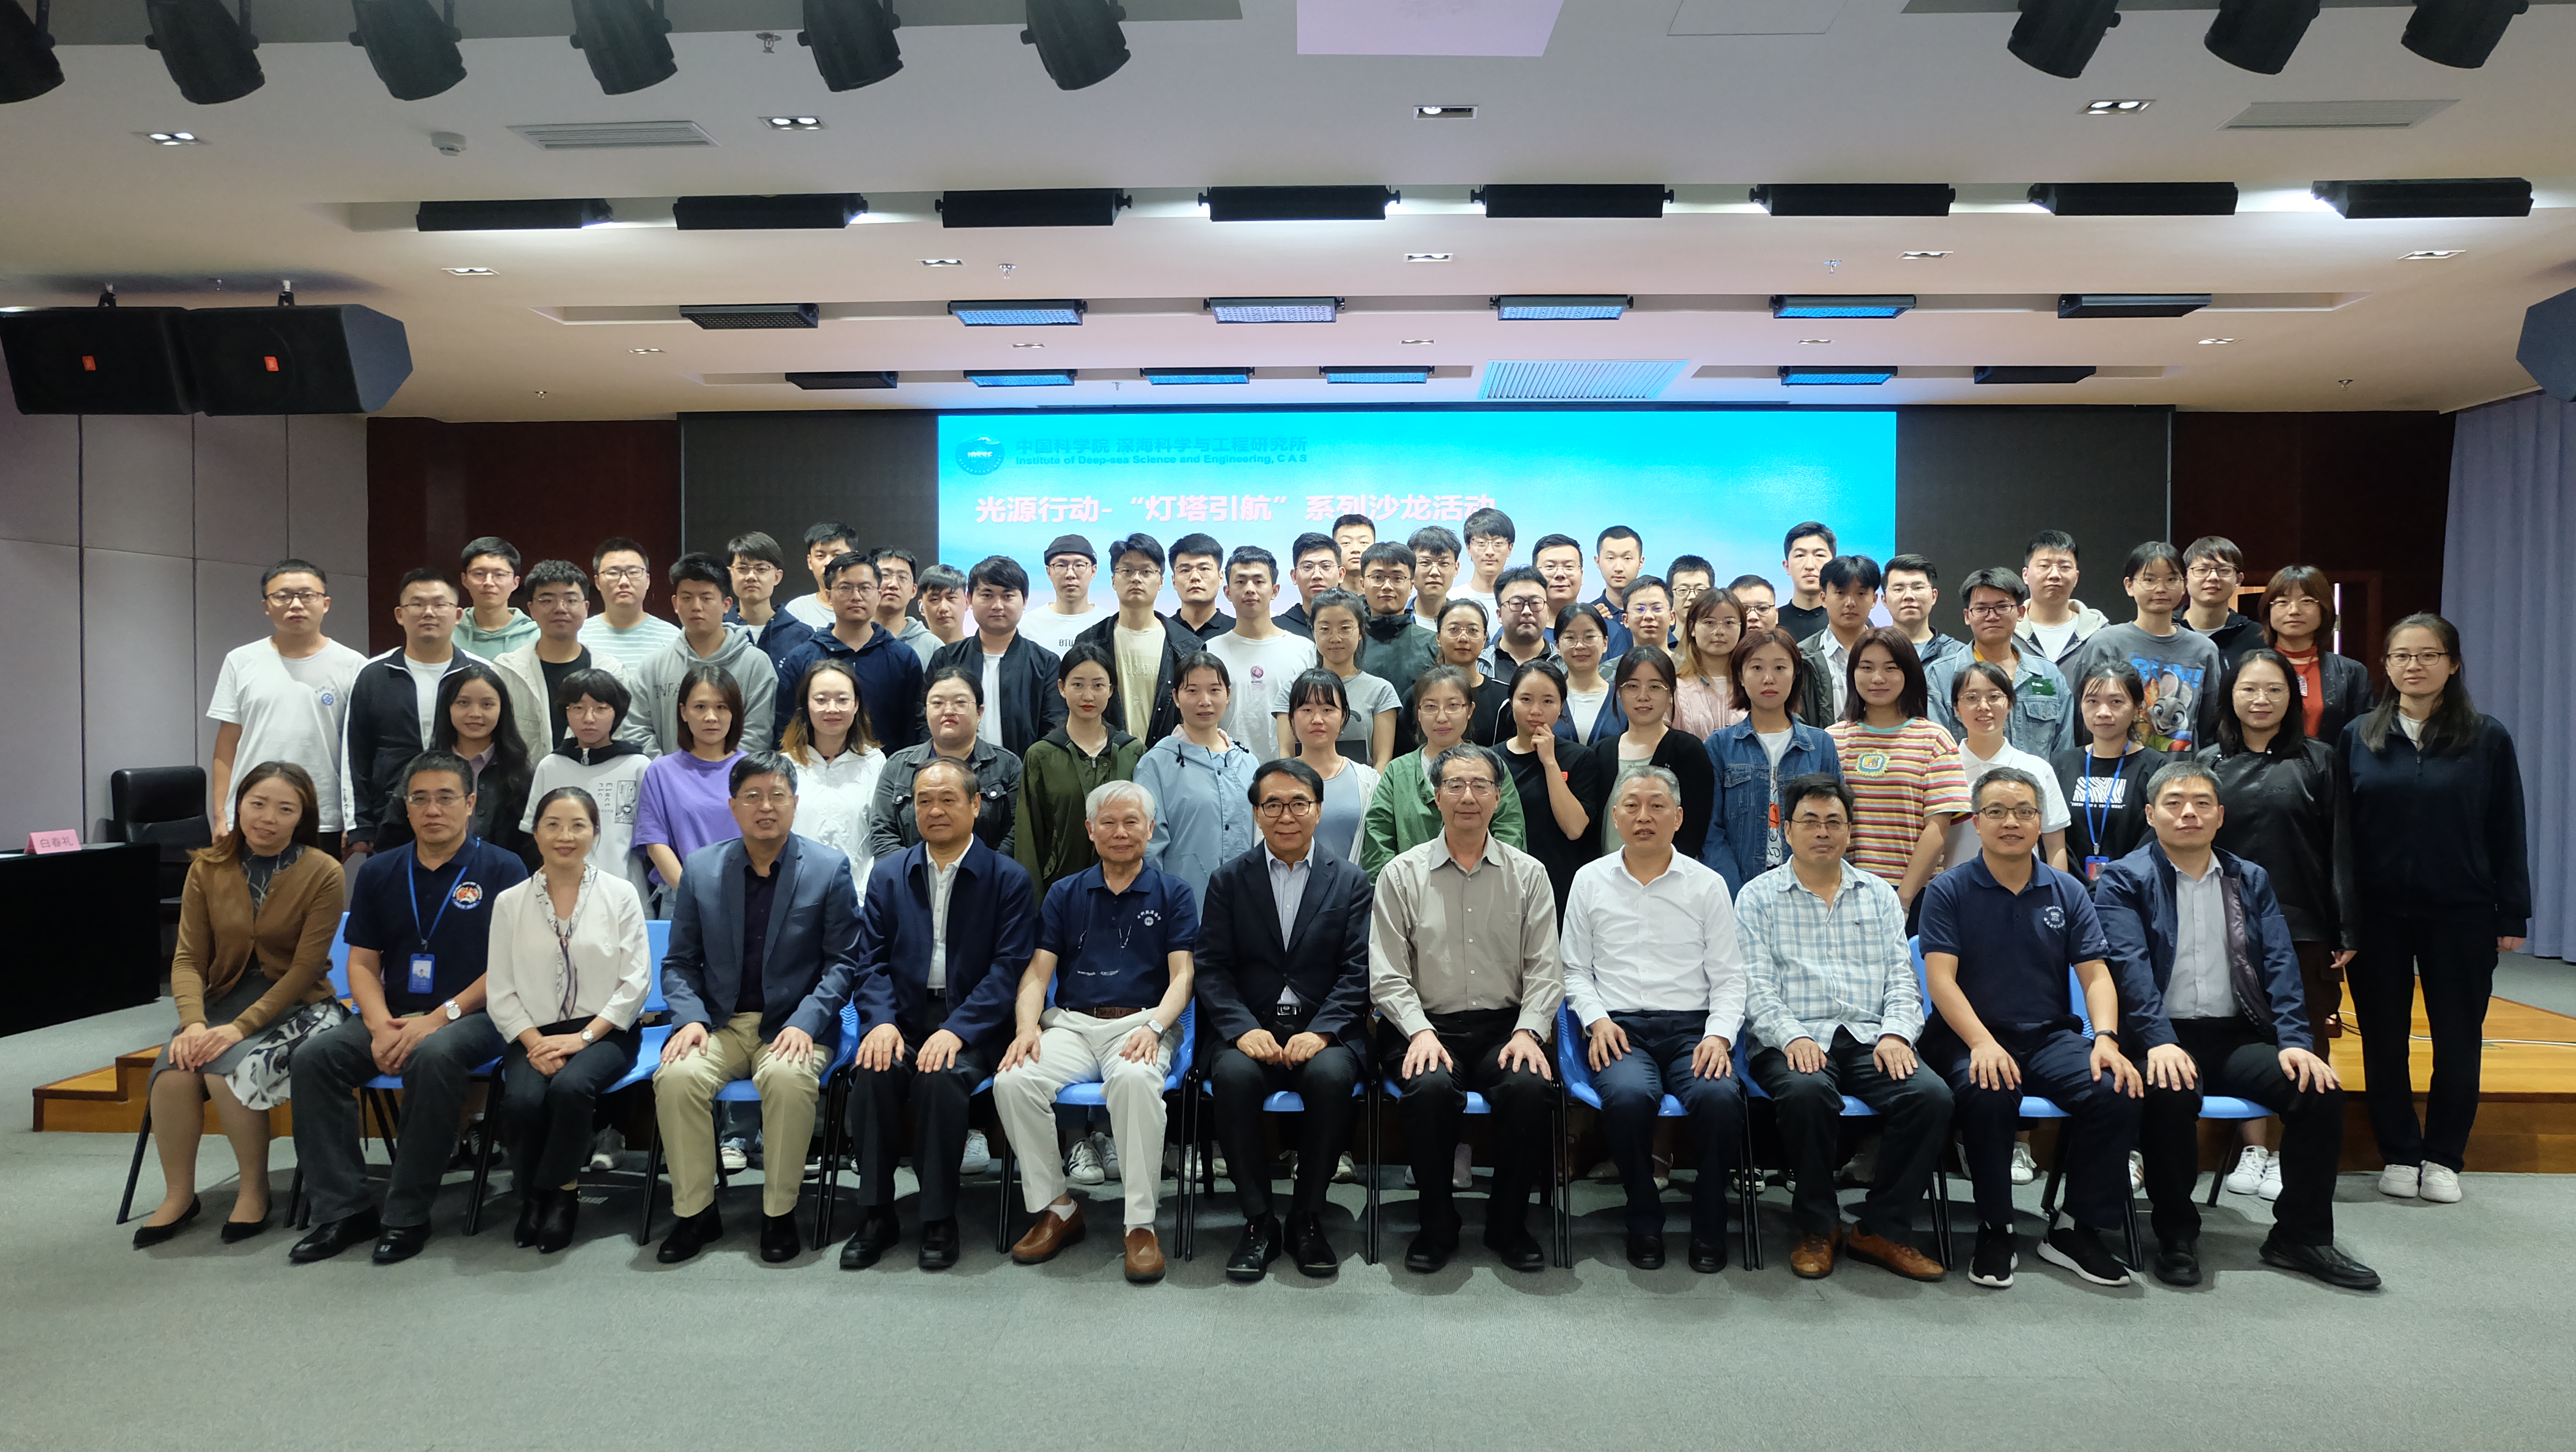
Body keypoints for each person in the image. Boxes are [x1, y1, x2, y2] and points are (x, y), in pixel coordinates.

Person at [2093, 761, 2381, 1290]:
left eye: (2202, 803)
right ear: (2151, 814)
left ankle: (2300, 1236)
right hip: (2159, 1036)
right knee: (2170, 1090)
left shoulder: (2249, 878)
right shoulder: (2124, 879)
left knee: (2317, 1089)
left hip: (2234, 1036)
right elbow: (2130, 970)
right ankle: (2176, 1233)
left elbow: (2280, 963)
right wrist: (2159, 1042)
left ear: (2220, 816)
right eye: (2175, 803)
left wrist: (2295, 1041)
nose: (2189, 813)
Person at [287, 751, 529, 1264]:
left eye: (446, 798)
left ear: (470, 804)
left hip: (479, 1015)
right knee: (315, 1059)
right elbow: (362, 963)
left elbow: (509, 966)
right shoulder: (380, 870)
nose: (432, 810)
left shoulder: (503, 868)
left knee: (434, 1055)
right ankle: (343, 1210)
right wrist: (379, 1026)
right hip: (394, 1014)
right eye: (420, 799)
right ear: (406, 805)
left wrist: (439, 1019)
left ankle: (407, 1214)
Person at [1917, 766, 2145, 1289]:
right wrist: (1982, 1042)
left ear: (2041, 821)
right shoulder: (1948, 889)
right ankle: (1996, 1227)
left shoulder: (2067, 890)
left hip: (2047, 1035)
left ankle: (2074, 1228)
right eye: (1996, 812)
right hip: (1967, 1036)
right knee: (1988, 1090)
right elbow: (1940, 981)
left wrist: (2106, 1039)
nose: (2011, 822)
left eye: (2024, 812)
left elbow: (2096, 975)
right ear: (1977, 822)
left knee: (2114, 1088)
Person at [2337, 613, 2530, 1206]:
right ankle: (2399, 1151)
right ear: (2386, 665)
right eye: (2401, 656)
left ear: (2453, 663)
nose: (2414, 666)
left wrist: (2512, 913)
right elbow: (2342, 835)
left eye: (2428, 655)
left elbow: (2507, 826)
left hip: (2461, 912)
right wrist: (2344, 915)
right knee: (2383, 1038)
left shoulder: (2487, 737)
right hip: (2379, 915)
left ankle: (2445, 1156)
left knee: (2458, 1038)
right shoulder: (2358, 736)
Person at [1737, 773, 1952, 1282]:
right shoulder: (1757, 896)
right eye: (1810, 821)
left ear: (1850, 831)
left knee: (1931, 1097)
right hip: (1790, 1037)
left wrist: (1897, 1034)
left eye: (1834, 822)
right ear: (1787, 830)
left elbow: (1903, 980)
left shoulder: (1878, 894)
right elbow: (1753, 986)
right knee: (1807, 1092)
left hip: (1869, 1036)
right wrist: (1792, 1036)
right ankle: (1818, 1226)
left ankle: (1881, 1229)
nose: (1823, 832)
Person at [652, 752, 863, 1264]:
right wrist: (690, 1019)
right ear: (733, 806)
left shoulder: (827, 868)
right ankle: (696, 1212)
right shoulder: (702, 869)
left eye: (777, 796)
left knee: (788, 1081)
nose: (765, 807)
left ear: (794, 803)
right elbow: (679, 963)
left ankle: (779, 1213)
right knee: (676, 1077)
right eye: (752, 796)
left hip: (795, 1024)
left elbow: (843, 963)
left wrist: (807, 1023)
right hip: (719, 1025)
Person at [133, 762, 346, 1248]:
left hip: (300, 1005)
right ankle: (179, 1195)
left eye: (285, 809)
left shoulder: (323, 872)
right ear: (238, 805)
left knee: (226, 1070)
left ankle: (254, 1190)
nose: (268, 818)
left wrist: (238, 1029)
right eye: (258, 804)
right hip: (221, 1003)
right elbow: (188, 958)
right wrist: (193, 1023)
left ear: (302, 817)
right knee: (173, 1073)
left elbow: (304, 969)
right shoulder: (207, 868)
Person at [838, 758, 1038, 1271]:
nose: (935, 810)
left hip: (974, 1026)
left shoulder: (1008, 878)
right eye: (924, 801)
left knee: (939, 1078)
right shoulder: (889, 875)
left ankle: (938, 1216)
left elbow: (1008, 970)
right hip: (902, 1019)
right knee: (873, 1072)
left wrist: (957, 1030)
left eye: (948, 799)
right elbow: (870, 962)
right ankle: (876, 1213)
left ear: (976, 805)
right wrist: (881, 1021)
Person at [995, 780, 1198, 1284]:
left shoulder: (1174, 892)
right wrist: (1026, 1028)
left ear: (1150, 829)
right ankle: (1058, 1208)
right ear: (1090, 830)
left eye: (1132, 822)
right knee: (1014, 1080)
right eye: (1108, 822)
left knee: (1135, 1081)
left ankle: (1140, 1225)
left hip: (1141, 1022)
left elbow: (1184, 977)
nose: (1120, 832)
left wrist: (1156, 1026)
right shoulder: (1065, 893)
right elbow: (1038, 974)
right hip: (1073, 1024)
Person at [1370, 744, 1562, 1273]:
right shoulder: (1401, 875)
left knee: (1529, 1087)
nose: (1468, 796)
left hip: (1506, 1026)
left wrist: (1529, 1031)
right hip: (1424, 1025)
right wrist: (1418, 1032)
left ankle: (1508, 1224)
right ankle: (1437, 1226)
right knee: (1430, 1087)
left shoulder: (1529, 874)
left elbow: (1546, 968)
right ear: (1436, 798)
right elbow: (1387, 975)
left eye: (1480, 785)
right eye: (1454, 785)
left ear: (1498, 798)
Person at [1196, 758, 1373, 1280]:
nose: (1286, 815)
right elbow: (1212, 968)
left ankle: (1306, 1218)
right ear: (1256, 813)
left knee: (1331, 1079)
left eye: (1299, 803)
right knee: (1231, 1078)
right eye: (1272, 804)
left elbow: (1359, 970)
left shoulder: (1351, 881)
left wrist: (1323, 1031)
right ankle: (1258, 1221)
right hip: (1250, 1029)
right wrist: (1241, 1028)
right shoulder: (1228, 881)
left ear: (1318, 810)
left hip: (1325, 1031)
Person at [1563, 765, 1745, 1272]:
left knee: (1720, 1099)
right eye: (1632, 806)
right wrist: (1597, 1021)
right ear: (1615, 817)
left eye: (1657, 806)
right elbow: (1573, 970)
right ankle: (1643, 1214)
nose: (1644, 816)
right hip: (1618, 1027)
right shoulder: (1589, 880)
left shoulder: (1707, 885)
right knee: (1627, 1098)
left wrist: (1719, 1037)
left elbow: (1731, 978)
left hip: (1693, 1029)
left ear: (1678, 817)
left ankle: (1710, 1219)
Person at [485, 785, 650, 1254]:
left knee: (571, 1089)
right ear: (536, 833)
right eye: (553, 825)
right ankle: (534, 1196)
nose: (565, 836)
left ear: (595, 833)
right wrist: (534, 1042)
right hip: (532, 1033)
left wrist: (583, 1038)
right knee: (521, 1101)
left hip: (606, 1031)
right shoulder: (510, 903)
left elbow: (636, 981)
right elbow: (500, 989)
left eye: (578, 825)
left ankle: (559, 1194)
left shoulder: (620, 894)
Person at [208, 559, 367, 851]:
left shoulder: (354, 665)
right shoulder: (241, 660)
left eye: (307, 595)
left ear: (326, 603)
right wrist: (221, 815)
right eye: (283, 596)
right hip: (250, 814)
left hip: (322, 814)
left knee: (317, 883)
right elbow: (227, 744)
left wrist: (354, 820)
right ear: (267, 606)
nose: (296, 604)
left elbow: (361, 750)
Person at [1829, 629, 1970, 916]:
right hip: (1842, 892)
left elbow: (1938, 828)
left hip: (1915, 895)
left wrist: (1903, 900)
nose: (1878, 678)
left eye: (1891, 668)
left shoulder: (1934, 739)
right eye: (1866, 668)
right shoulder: (1832, 739)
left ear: (1909, 674)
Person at [344, 568, 476, 860]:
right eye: (417, 604)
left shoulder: (479, 674)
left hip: (466, 816)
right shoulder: (373, 674)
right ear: (400, 614)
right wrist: (360, 824)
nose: (428, 612)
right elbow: (355, 752)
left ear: (458, 615)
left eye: (440, 604)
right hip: (389, 818)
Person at [1702, 627, 1845, 894]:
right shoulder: (1719, 746)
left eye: (1780, 668)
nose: (1769, 679)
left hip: (1808, 886)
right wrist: (1735, 893)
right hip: (1739, 887)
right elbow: (1711, 831)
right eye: (1757, 668)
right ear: (1741, 676)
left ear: (1795, 675)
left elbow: (1835, 823)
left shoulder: (1821, 745)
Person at [1360, 666, 1528, 878]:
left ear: (1470, 710)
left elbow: (1510, 830)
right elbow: (1378, 839)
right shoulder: (1397, 772)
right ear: (1418, 713)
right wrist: (1393, 888)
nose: (1441, 717)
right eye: (1430, 707)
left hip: (1484, 887)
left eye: (1453, 706)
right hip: (1410, 890)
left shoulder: (1491, 766)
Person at [2063, 542, 2223, 755]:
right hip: (2116, 766)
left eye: (2171, 579)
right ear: (2129, 585)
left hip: (2180, 771)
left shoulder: (2204, 650)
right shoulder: (2105, 643)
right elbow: (2082, 717)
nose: (2160, 588)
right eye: (2149, 580)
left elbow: (2208, 724)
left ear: (2184, 585)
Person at [370, 661, 537, 867]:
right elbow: (393, 836)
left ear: (502, 710)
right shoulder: (423, 768)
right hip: (428, 876)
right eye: (463, 703)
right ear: (447, 708)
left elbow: (532, 846)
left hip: (501, 879)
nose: (475, 713)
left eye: (487, 705)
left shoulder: (520, 773)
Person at [1014, 644, 1144, 895]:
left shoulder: (1133, 753)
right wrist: (1033, 904)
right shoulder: (1041, 755)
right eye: (1078, 685)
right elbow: (1028, 838)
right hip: (1060, 891)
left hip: (1126, 889)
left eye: (1098, 686)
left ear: (1111, 690)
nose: (1088, 696)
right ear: (1062, 688)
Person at [772, 551, 928, 753]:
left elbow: (913, 730)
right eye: (845, 588)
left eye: (865, 588)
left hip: (886, 770)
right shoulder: (801, 658)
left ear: (878, 594)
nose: (856, 597)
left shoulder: (903, 658)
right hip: (814, 768)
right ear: (829, 595)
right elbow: (786, 727)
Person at [492, 559, 645, 762]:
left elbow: (621, 735)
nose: (560, 608)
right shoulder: (506, 671)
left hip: (593, 776)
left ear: (586, 608)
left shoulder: (611, 670)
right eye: (547, 600)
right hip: (523, 780)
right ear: (532, 609)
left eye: (571, 600)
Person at [520, 668, 653, 902]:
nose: (589, 718)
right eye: (578, 708)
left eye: (601, 708)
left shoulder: (638, 766)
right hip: (558, 896)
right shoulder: (550, 766)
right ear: (566, 712)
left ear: (617, 713)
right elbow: (535, 836)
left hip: (626, 895)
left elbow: (652, 839)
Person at [1136, 652, 1259, 903]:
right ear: (1176, 697)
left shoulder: (1248, 763)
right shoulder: (1156, 763)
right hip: (1182, 903)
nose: (1205, 701)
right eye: (1192, 691)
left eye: (1215, 690)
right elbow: (1148, 846)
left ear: (1228, 694)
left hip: (1246, 904)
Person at [631, 552, 780, 756]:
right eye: (687, 598)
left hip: (734, 776)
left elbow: (757, 735)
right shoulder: (652, 667)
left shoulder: (756, 664)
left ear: (726, 605)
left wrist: (723, 772)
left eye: (706, 598)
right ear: (675, 604)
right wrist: (666, 771)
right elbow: (637, 728)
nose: (696, 606)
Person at [868, 667, 1024, 859]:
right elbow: (883, 833)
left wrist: (985, 872)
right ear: (926, 711)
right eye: (938, 703)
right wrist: (912, 872)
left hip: (990, 876)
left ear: (980, 712)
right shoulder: (898, 765)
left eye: (960, 702)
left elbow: (1017, 833)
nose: (948, 711)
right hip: (910, 876)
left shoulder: (1008, 766)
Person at [925, 555, 1066, 759]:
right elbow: (926, 721)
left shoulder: (1046, 663)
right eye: (987, 595)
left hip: (1024, 772)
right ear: (969, 599)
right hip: (954, 770)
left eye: (1008, 596)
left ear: (1025, 601)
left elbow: (1054, 729)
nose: (998, 605)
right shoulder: (946, 658)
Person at [1926, 568, 2075, 760]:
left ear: (2021, 612)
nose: (1992, 616)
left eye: (2002, 607)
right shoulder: (1941, 676)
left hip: (2036, 779)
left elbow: (2064, 754)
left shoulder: (2048, 675)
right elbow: (1937, 753)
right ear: (1967, 616)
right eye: (1981, 609)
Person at [1941, 661, 2071, 873]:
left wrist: (2059, 890)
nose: (1984, 706)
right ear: (1956, 708)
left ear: (2010, 704)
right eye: (1972, 698)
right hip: (1955, 889)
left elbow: (2055, 847)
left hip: (2024, 888)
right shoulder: (1942, 768)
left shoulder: (2037, 769)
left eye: (1994, 697)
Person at [1075, 532, 1204, 746]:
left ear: (1161, 581)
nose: (1136, 578)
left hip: (1170, 758)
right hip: (1104, 757)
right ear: (1114, 580)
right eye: (1127, 571)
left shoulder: (1187, 647)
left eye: (1146, 571)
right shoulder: (1089, 642)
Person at [1498, 659, 1605, 914]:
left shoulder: (1581, 758)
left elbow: (1574, 828)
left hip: (1562, 888)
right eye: (1526, 700)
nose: (1536, 710)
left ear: (1561, 707)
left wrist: (1549, 762)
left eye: (1548, 701)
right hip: (1504, 885)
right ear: (1511, 702)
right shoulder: (1491, 761)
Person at [635, 664, 748, 905]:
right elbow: (655, 843)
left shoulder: (752, 771)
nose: (711, 717)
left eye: (722, 707)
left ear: (735, 713)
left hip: (746, 897)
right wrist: (694, 894)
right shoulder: (661, 771)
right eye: (700, 707)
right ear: (683, 712)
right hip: (681, 899)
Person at [779, 658, 889, 893]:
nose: (832, 709)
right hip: (798, 894)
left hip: (859, 894)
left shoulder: (875, 762)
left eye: (842, 700)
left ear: (856, 704)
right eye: (821, 700)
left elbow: (884, 834)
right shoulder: (785, 766)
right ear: (806, 705)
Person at [1603, 644, 1715, 861]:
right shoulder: (1601, 752)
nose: (1643, 696)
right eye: (1632, 686)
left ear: (1671, 692)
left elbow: (1694, 832)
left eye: (1655, 687)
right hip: (1608, 875)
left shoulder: (1689, 751)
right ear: (1619, 692)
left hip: (1668, 874)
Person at [1205, 546, 1316, 764]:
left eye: (1258, 581)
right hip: (1225, 768)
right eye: (1240, 582)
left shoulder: (1305, 650)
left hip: (1290, 770)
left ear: (1275, 590)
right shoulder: (1211, 651)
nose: (1249, 589)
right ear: (1227, 592)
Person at [2258, 563, 2371, 743]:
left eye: (2307, 601)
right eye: (2282, 602)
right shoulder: (2251, 668)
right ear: (2268, 610)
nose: (2294, 611)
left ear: (2324, 609)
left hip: (2330, 761)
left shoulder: (2351, 672)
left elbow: (2363, 737)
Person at [1279, 669, 1381, 862]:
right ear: (1291, 718)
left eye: (1328, 710)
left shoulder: (1369, 781)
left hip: (1356, 881)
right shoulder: (1276, 782)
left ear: (1343, 716)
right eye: (1307, 710)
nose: (1317, 720)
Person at [1291, 588, 1398, 768]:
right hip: (1305, 784)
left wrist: (1369, 786)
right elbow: (1287, 755)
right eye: (1325, 629)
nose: (1335, 638)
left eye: (1345, 628)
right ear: (1313, 632)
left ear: (1361, 631)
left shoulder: (1381, 691)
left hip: (1364, 784)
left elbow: (1382, 762)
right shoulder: (1293, 687)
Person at [1795, 554, 1882, 725]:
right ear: (1824, 598)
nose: (1850, 602)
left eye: (1861, 593)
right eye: (1841, 593)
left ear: (1874, 599)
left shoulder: (1891, 653)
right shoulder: (1802, 657)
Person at [1353, 541, 1439, 711]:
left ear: (1411, 586)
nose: (1387, 586)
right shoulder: (1348, 642)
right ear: (1362, 584)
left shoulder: (1433, 644)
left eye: (1397, 578)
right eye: (1378, 577)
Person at [578, 537, 682, 670]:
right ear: (598, 582)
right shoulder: (579, 636)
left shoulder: (672, 638)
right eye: (613, 573)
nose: (624, 582)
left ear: (648, 580)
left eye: (633, 572)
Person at [1422, 598, 1512, 751]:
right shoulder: (1421, 695)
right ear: (1438, 638)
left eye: (1473, 630)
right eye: (1454, 629)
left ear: (1484, 639)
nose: (1463, 638)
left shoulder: (1504, 698)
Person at [723, 529, 812, 675]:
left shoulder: (801, 636)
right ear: (730, 574)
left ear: (777, 577)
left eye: (761, 569)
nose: (751, 576)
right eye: (742, 569)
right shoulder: (718, 630)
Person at [2016, 529, 2110, 666]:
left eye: (2064, 567)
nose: (2055, 575)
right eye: (2044, 566)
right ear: (2025, 575)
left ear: (2076, 577)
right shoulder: (2007, 632)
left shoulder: (2102, 634)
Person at [2176, 536, 2265, 666]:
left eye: (2224, 570)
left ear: (2238, 580)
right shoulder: (2166, 629)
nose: (2213, 577)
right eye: (2202, 570)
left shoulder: (2257, 636)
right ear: (2185, 579)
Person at [1672, 586, 1746, 738]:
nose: (1720, 631)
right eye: (1710, 623)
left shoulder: (1752, 684)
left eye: (1729, 623)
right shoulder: (1675, 687)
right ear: (1692, 628)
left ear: (1741, 628)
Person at [1022, 533, 1112, 657]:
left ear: (1094, 571)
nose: (1070, 574)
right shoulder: (1027, 626)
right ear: (1049, 572)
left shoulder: (1109, 625)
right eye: (1061, 566)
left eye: (1079, 565)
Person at [453, 536, 538, 658]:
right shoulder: (449, 631)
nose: (489, 582)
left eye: (499, 575)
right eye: (479, 574)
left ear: (515, 582)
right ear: (465, 580)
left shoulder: (536, 637)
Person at [1552, 603, 1623, 747]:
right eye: (1570, 637)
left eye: (1589, 637)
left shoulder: (1623, 699)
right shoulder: (1547, 699)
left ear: (1605, 644)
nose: (1580, 645)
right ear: (1558, 646)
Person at [1884, 553, 1965, 673]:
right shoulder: (1872, 651)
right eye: (1898, 589)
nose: (1909, 596)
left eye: (1918, 588)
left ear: (1934, 596)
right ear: (1884, 600)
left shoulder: (1959, 655)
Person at [1481, 567, 1562, 680]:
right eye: (1517, 604)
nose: (1527, 611)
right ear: (1500, 615)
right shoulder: (1478, 665)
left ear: (1547, 611)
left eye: (1535, 603)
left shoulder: (1566, 664)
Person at [783, 521, 858, 632]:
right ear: (810, 562)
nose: (828, 563)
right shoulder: (797, 610)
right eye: (820, 556)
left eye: (837, 555)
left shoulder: (867, 607)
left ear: (855, 558)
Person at [1274, 532, 1343, 640]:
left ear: (1341, 575)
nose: (1317, 575)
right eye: (1307, 567)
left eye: (1326, 566)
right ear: (1294, 576)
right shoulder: (1276, 629)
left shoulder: (1358, 625)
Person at [1169, 532, 1236, 641]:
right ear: (1174, 581)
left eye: (1204, 569)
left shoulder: (1238, 631)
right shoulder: (1163, 631)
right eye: (1185, 570)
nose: (1195, 577)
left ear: (1221, 578)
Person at [1777, 521, 1837, 642]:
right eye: (1800, 556)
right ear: (1787, 566)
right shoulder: (1772, 622)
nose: (1809, 566)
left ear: (1834, 565)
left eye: (1819, 555)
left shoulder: (1851, 622)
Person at [869, 546, 934, 659]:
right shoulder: (850, 637)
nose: (894, 584)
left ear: (914, 590)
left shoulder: (932, 647)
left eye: (903, 577)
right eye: (885, 575)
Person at [1587, 526, 1645, 646]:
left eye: (1627, 558)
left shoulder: (1653, 615)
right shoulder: (1589, 615)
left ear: (1641, 562)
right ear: (1598, 562)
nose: (1619, 568)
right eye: (1611, 558)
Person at [1456, 506, 1516, 616]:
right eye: (1481, 543)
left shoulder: (1520, 602)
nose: (1490, 552)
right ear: (1469, 548)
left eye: (1498, 543)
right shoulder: (1453, 599)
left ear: (1510, 548)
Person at [911, 562, 971, 666]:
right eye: (934, 599)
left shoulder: (979, 653)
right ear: (922, 607)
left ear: (967, 602)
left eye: (951, 598)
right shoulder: (911, 655)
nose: (943, 608)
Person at [1407, 525, 1463, 631]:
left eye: (1444, 563)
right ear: (1411, 567)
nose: (1434, 572)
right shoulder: (1395, 619)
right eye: (1425, 563)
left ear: (1456, 569)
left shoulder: (1469, 622)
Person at [1531, 532, 1588, 623]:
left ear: (1582, 575)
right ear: (1534, 575)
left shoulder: (1601, 626)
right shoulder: (1517, 628)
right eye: (1550, 566)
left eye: (1569, 566)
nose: (1560, 574)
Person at [1620, 575, 1675, 667]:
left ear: (1672, 618)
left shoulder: (1689, 669)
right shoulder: (1609, 670)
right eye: (1639, 609)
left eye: (1657, 608)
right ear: (1626, 620)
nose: (1648, 616)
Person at [1666, 554, 1715, 633]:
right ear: (1670, 595)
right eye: (1683, 590)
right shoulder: (1658, 640)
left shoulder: (1725, 640)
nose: (1692, 597)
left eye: (1700, 590)